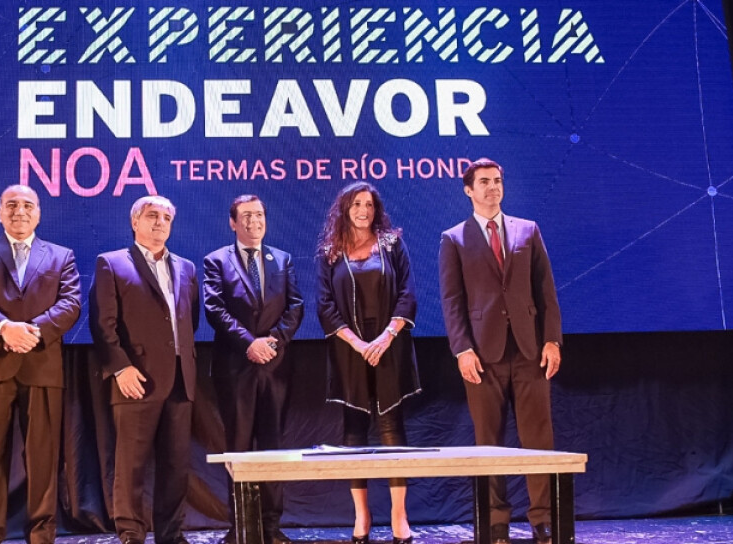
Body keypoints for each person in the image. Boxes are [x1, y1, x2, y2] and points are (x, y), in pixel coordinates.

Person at [438, 158, 562, 544]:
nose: (492, 187)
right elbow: (452, 301)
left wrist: (552, 340)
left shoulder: (528, 230)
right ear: (468, 190)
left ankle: (543, 519)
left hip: (529, 350)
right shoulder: (453, 238)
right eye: (484, 182)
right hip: (481, 354)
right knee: (488, 440)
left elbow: (546, 290)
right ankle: (495, 522)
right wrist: (462, 349)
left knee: (538, 438)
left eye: (497, 181)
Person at [0, 184, 82, 544]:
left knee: (43, 461)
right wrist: (5, 328)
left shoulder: (61, 256)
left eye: (28, 205)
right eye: (11, 205)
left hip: (42, 367)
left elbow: (71, 304)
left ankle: (41, 537)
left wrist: (32, 332)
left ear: (39, 213)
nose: (20, 211)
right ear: (0, 212)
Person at [89, 195, 200, 544]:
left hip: (180, 379)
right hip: (135, 378)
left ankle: (171, 535)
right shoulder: (111, 263)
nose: (160, 223)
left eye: (166, 218)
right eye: (152, 216)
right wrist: (120, 368)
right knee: (131, 464)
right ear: (134, 221)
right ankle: (131, 534)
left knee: (175, 466)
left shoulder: (186, 268)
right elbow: (102, 324)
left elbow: (190, 321)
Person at [316, 182, 419, 544]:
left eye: (370, 204)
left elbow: (407, 293)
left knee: (392, 428)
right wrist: (359, 344)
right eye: (357, 204)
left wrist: (386, 337)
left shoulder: (392, 244)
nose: (364, 210)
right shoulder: (330, 252)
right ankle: (362, 515)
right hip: (350, 350)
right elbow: (325, 305)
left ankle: (399, 515)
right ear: (345, 209)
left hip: (389, 345)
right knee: (354, 431)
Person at [203, 195, 304, 544]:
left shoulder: (283, 259)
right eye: (246, 216)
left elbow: (295, 306)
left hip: (276, 367)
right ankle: (242, 527)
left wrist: (273, 341)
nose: (254, 221)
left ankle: (272, 527)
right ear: (233, 223)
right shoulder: (216, 260)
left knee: (273, 447)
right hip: (236, 368)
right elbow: (215, 308)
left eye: (259, 214)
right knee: (239, 448)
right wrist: (249, 343)